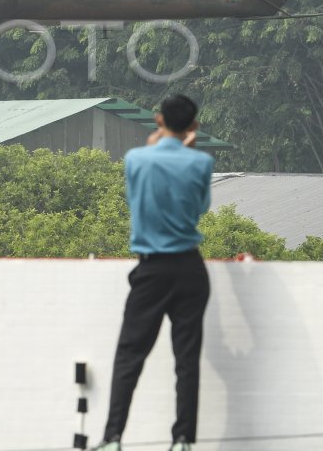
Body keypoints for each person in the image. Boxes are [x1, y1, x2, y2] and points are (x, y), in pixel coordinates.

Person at [93, 94, 214, 451]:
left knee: (130, 354)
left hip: (151, 271)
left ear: (158, 119)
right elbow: (201, 207)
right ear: (192, 127)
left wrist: (155, 143)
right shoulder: (201, 162)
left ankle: (114, 436)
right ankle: (182, 440)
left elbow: (135, 200)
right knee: (187, 358)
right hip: (190, 268)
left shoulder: (137, 159)